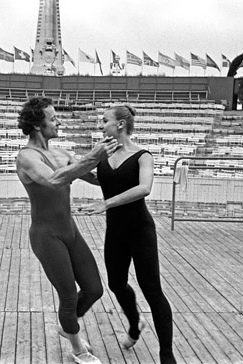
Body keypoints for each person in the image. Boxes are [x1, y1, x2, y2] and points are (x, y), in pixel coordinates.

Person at [16, 96, 119, 364]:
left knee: (94, 289)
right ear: (38, 125)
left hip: (69, 230)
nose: (58, 121)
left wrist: (125, 158)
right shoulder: (27, 157)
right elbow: (54, 180)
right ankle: (77, 348)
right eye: (53, 118)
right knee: (69, 296)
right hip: (46, 235)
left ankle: (67, 323)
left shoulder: (61, 153)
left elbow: (96, 177)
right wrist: (93, 156)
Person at [82, 104, 177, 364]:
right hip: (116, 231)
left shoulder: (142, 156)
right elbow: (103, 179)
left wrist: (107, 203)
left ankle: (167, 355)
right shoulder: (105, 154)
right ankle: (135, 325)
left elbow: (144, 188)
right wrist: (73, 171)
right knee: (115, 283)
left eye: (105, 121)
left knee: (152, 290)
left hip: (140, 230)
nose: (102, 126)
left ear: (121, 124)